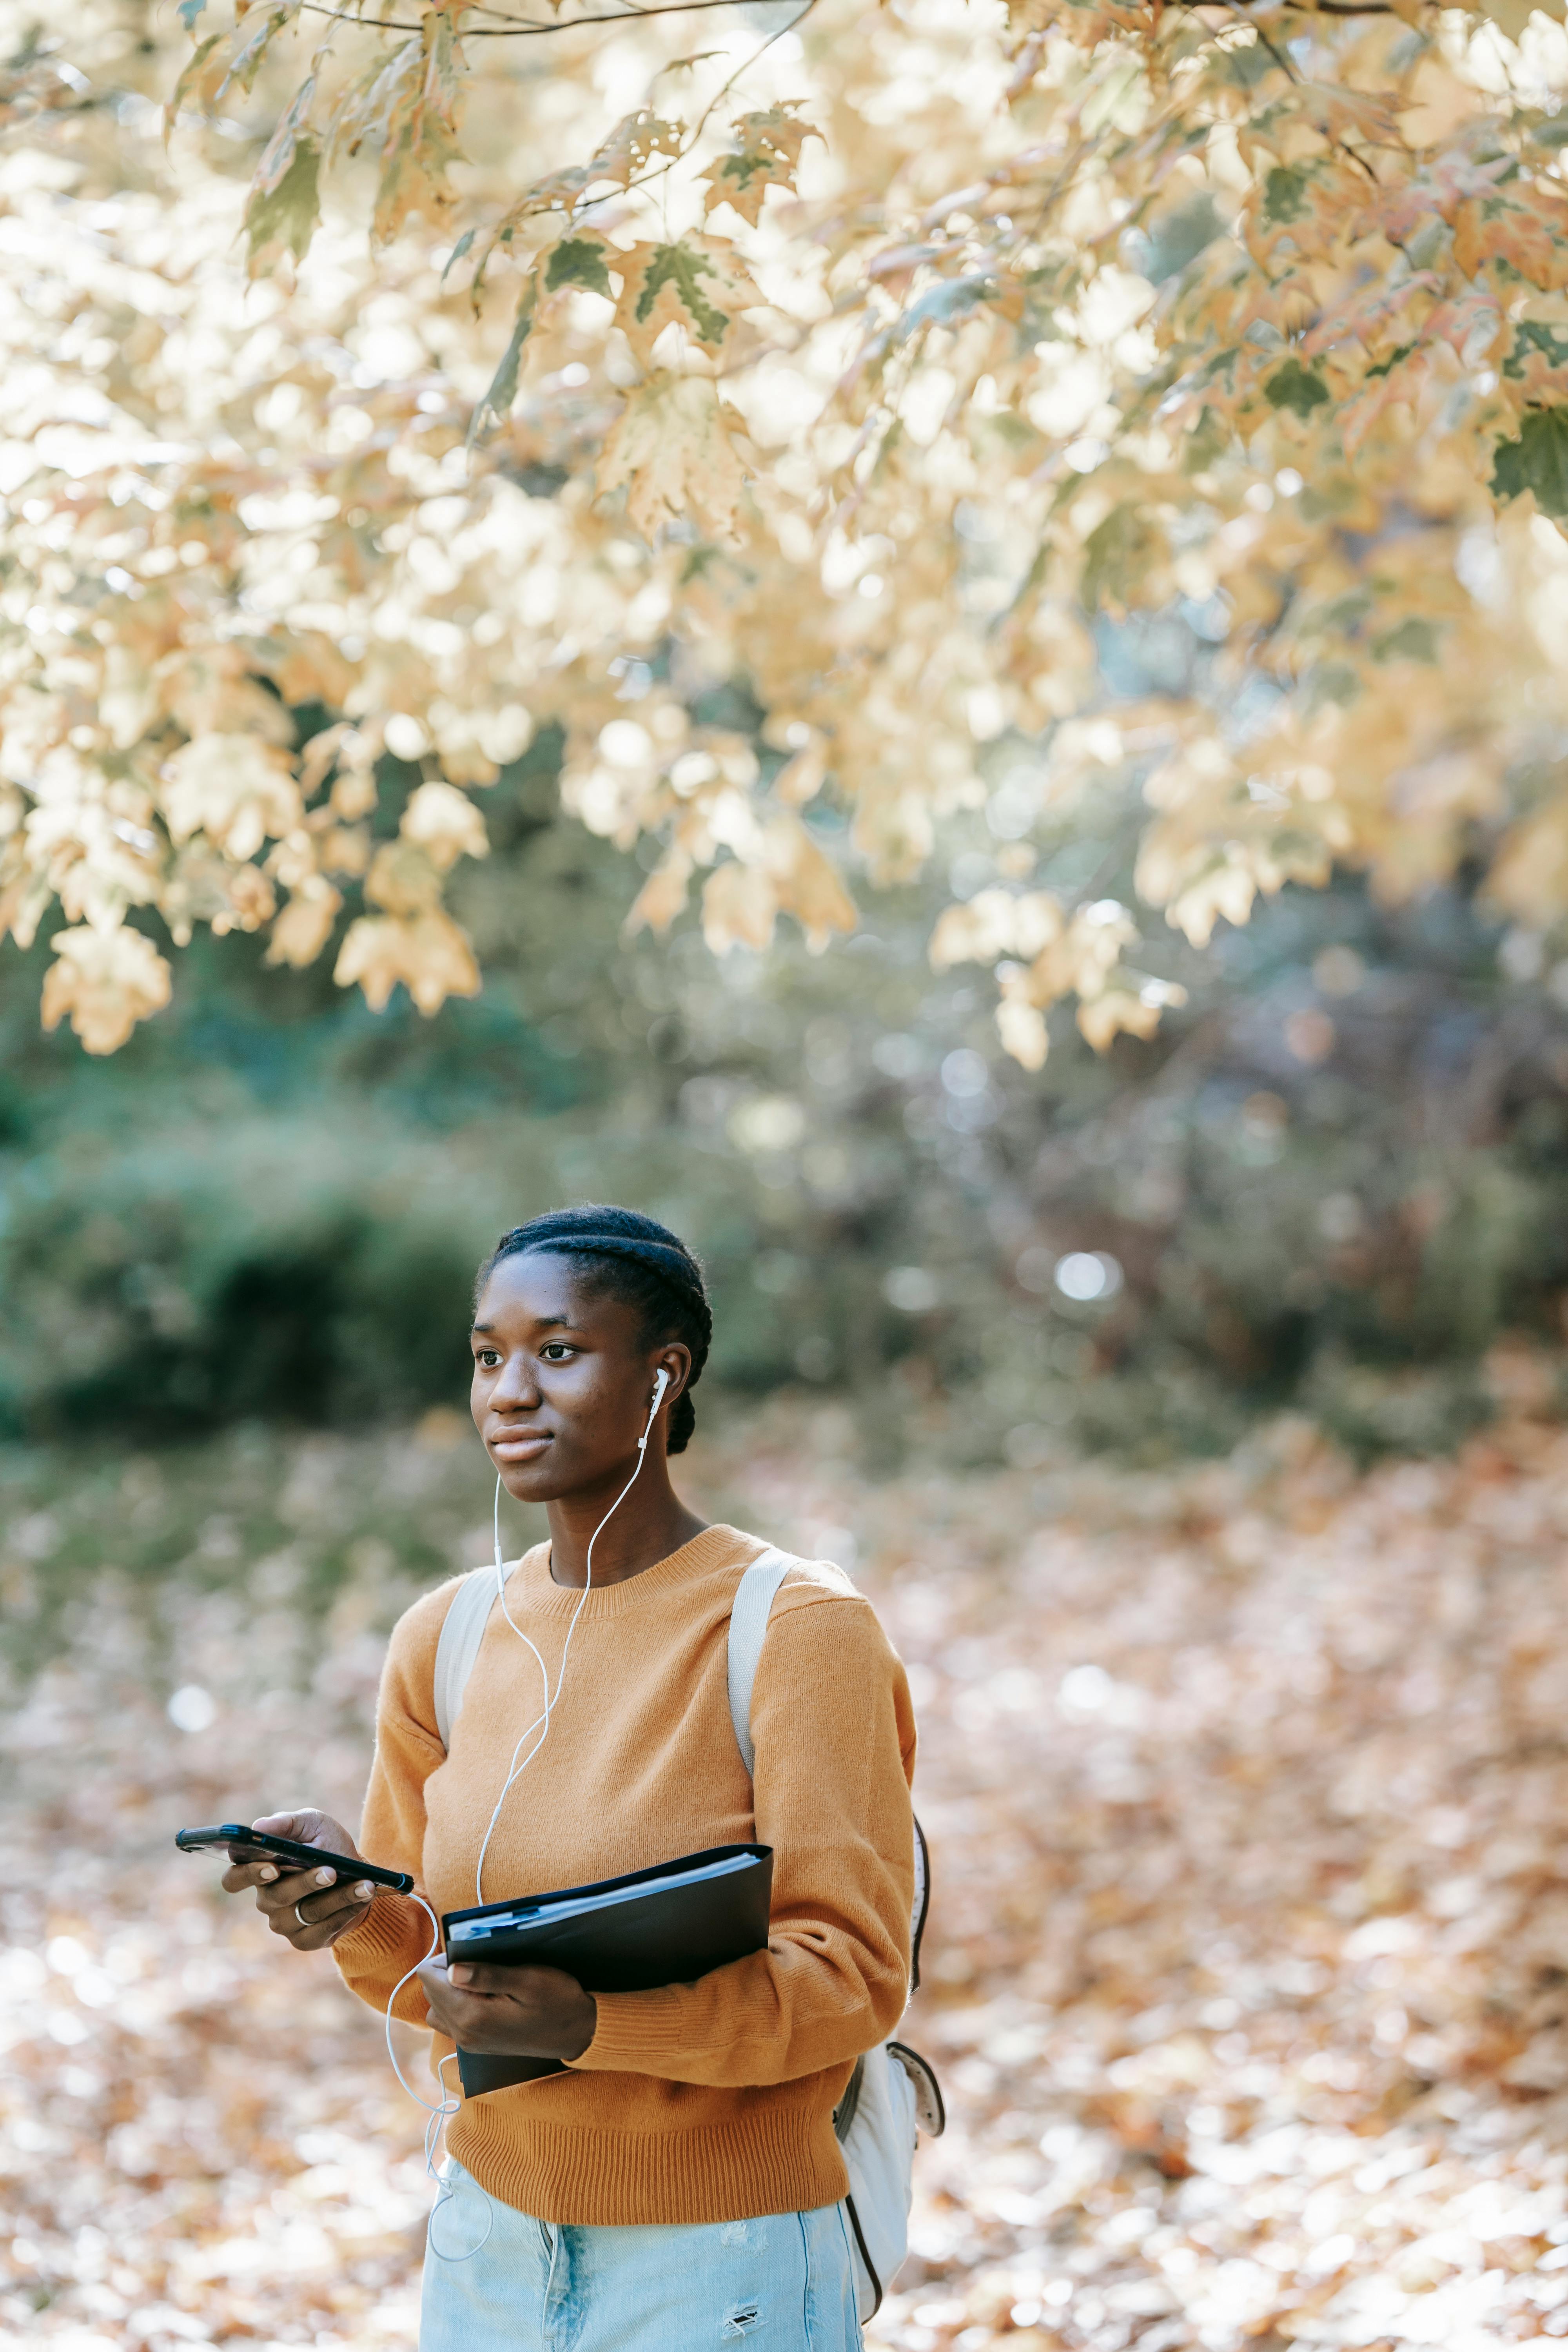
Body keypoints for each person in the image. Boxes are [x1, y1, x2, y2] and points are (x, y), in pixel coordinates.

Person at [220, 1204, 916, 2352]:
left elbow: (852, 1980)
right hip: (487, 2245)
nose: (508, 1391)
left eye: (557, 1352)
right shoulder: (444, 1635)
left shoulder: (794, 1628)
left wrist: (594, 2023)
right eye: (489, 1357)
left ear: (662, 1376)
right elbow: (427, 1961)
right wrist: (349, 1911)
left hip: (723, 2263)